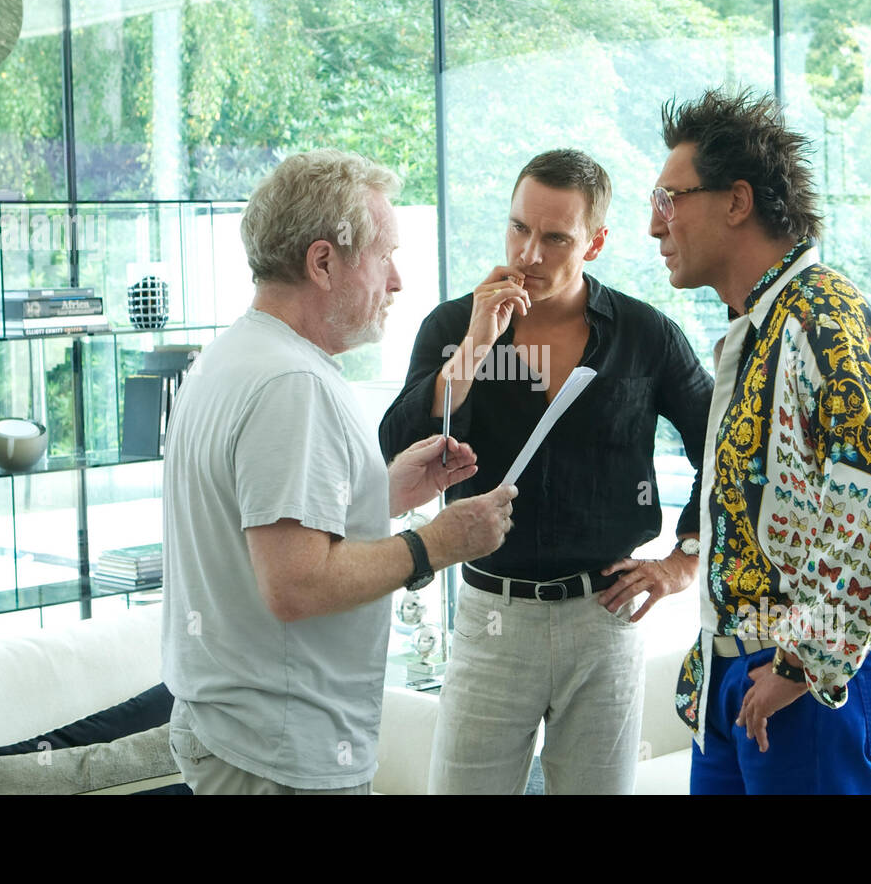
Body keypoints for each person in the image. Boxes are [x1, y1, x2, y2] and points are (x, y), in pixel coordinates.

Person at [160, 149, 517, 795]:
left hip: (237, 732)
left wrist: (377, 491)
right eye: (385, 256)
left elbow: (266, 528)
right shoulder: (292, 384)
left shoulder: (234, 355)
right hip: (278, 753)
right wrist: (439, 543)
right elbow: (294, 583)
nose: (399, 281)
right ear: (323, 262)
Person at [380, 148, 714, 794]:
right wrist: (476, 346)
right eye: (519, 228)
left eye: (555, 236)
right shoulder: (453, 324)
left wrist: (684, 560)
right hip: (490, 610)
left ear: (595, 243)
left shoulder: (647, 335)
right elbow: (396, 442)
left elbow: (723, 450)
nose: (530, 253)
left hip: (606, 615)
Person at [650, 87, 871, 794]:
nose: (654, 227)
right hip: (736, 676)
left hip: (806, 684)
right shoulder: (757, 330)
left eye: (668, 199)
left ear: (737, 201)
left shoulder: (823, 315)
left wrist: (800, 662)